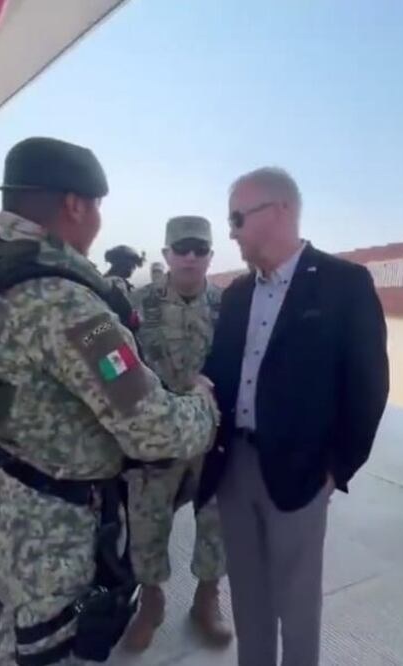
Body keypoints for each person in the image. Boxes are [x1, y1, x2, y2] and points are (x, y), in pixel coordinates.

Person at [0, 137, 219, 666]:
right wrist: (201, 402)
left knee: (22, 633)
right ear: (75, 205)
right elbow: (155, 429)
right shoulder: (69, 304)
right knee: (50, 647)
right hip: (54, 529)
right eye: (96, 206)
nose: (98, 219)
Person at [196, 166, 389, 666]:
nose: (232, 233)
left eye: (237, 218)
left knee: (297, 602)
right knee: (248, 595)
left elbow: (368, 387)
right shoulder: (237, 294)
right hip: (235, 465)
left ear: (279, 211)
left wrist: (335, 470)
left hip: (302, 472)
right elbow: (220, 370)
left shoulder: (345, 284)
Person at [121, 216, 232, 651]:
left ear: (210, 255)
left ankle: (207, 599)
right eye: (181, 248)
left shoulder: (228, 306)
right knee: (147, 523)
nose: (190, 257)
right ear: (166, 253)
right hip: (155, 440)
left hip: (210, 437)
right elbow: (110, 363)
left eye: (199, 249)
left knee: (216, 521)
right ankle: (151, 603)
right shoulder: (136, 303)